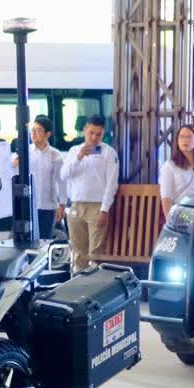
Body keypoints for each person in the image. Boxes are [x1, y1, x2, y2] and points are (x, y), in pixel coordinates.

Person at [59, 114, 117, 273]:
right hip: (76, 205)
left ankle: (94, 281)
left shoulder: (108, 152)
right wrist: (79, 157)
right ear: (84, 130)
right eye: (91, 133)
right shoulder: (74, 151)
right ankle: (78, 282)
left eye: (98, 134)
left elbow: (112, 183)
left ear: (103, 134)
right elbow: (64, 175)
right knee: (78, 251)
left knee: (95, 252)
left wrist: (105, 209)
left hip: (97, 206)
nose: (94, 137)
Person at [22, 115, 64, 239]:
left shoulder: (55, 155)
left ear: (48, 134)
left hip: (48, 206)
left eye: (38, 130)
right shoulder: (25, 152)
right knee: (26, 241)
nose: (33, 134)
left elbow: (61, 181)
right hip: (28, 205)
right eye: (32, 130)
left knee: (44, 241)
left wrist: (62, 204)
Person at [159, 124, 194, 216]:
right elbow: (166, 198)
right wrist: (170, 221)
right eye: (182, 137)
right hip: (181, 213)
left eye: (189, 137)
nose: (185, 140)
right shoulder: (169, 165)